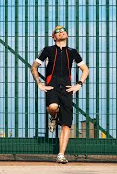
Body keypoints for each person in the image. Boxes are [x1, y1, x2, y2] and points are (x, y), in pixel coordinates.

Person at [30, 26, 89, 164]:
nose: (61, 31)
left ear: (67, 34)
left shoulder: (73, 52)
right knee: (52, 106)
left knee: (66, 124)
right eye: (57, 31)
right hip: (52, 86)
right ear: (53, 37)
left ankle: (61, 154)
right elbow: (34, 67)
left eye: (63, 30)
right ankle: (53, 117)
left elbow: (85, 69)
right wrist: (39, 83)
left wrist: (79, 84)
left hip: (67, 89)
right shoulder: (48, 50)